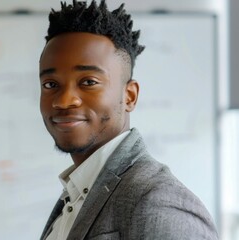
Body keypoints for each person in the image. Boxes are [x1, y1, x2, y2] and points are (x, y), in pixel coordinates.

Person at [38, 0, 218, 239]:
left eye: (88, 82)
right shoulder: (74, 197)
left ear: (129, 96)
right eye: (50, 84)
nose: (64, 100)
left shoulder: (159, 201)